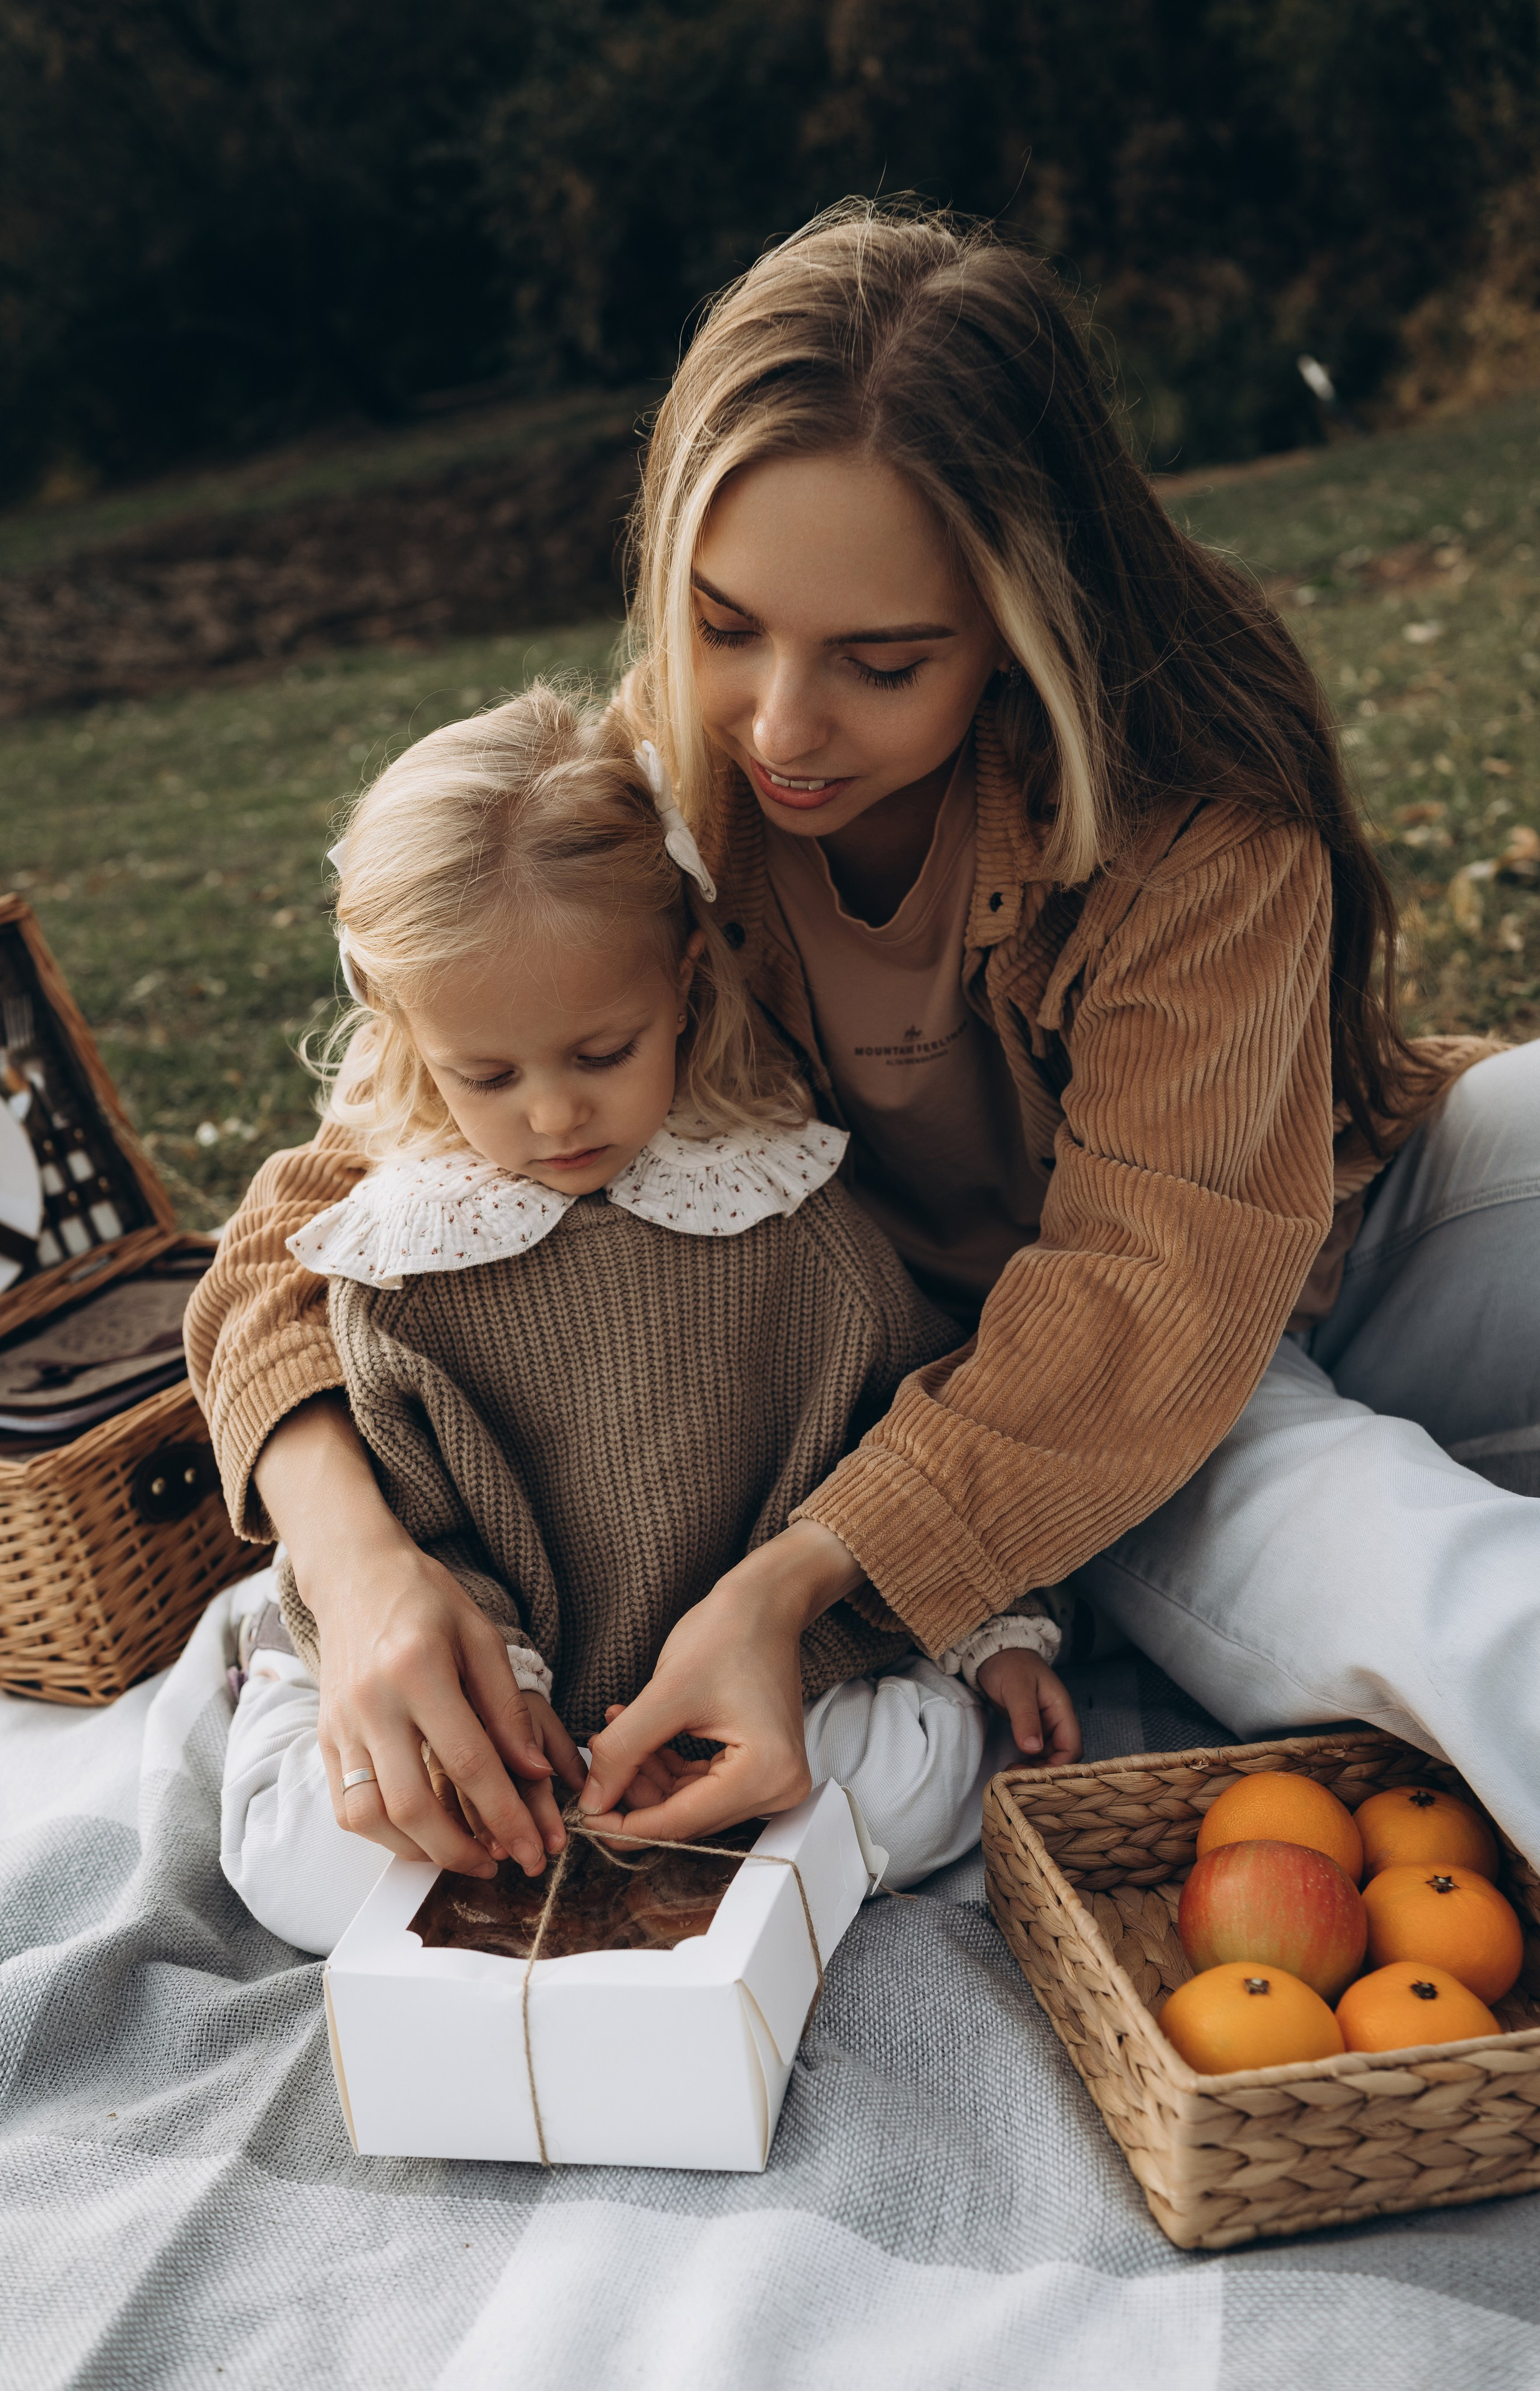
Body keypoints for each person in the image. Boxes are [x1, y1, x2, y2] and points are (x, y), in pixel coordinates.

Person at [188, 199, 1540, 1917]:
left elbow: (1189, 1243)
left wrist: (781, 1593)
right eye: (724, 625)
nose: (781, 724)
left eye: (880, 660)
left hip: (1346, 1219)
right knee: (1433, 1580)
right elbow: (312, 1220)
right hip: (1082, 1414)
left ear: (1020, 619)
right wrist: (364, 1564)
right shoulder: (654, 804)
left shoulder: (1195, 827)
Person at [217, 682, 1075, 1951]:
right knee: (299, 1863)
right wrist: (500, 1704)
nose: (555, 1115)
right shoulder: (403, 1260)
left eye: (601, 1051)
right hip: (504, 1697)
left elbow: (908, 1431)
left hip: (752, 1675)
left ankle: (675, 1806)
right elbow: (418, 1518)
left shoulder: (783, 1212)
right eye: (489, 1075)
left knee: (931, 1774)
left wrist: (989, 1629)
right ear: (409, 1037)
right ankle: (317, 1695)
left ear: (680, 977)